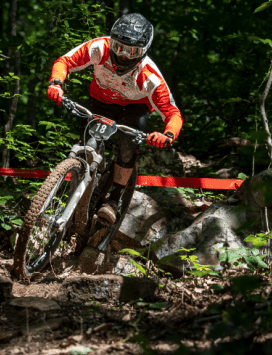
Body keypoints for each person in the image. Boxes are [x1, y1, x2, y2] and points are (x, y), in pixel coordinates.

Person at [46, 13, 183, 225]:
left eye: (133, 51)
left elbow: (173, 113)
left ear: (144, 51)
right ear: (111, 41)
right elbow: (65, 61)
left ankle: (114, 199)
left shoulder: (150, 76)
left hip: (135, 108)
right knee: (87, 143)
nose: (124, 56)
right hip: (101, 101)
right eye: (119, 47)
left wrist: (168, 134)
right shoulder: (99, 48)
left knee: (127, 147)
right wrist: (56, 83)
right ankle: (86, 182)